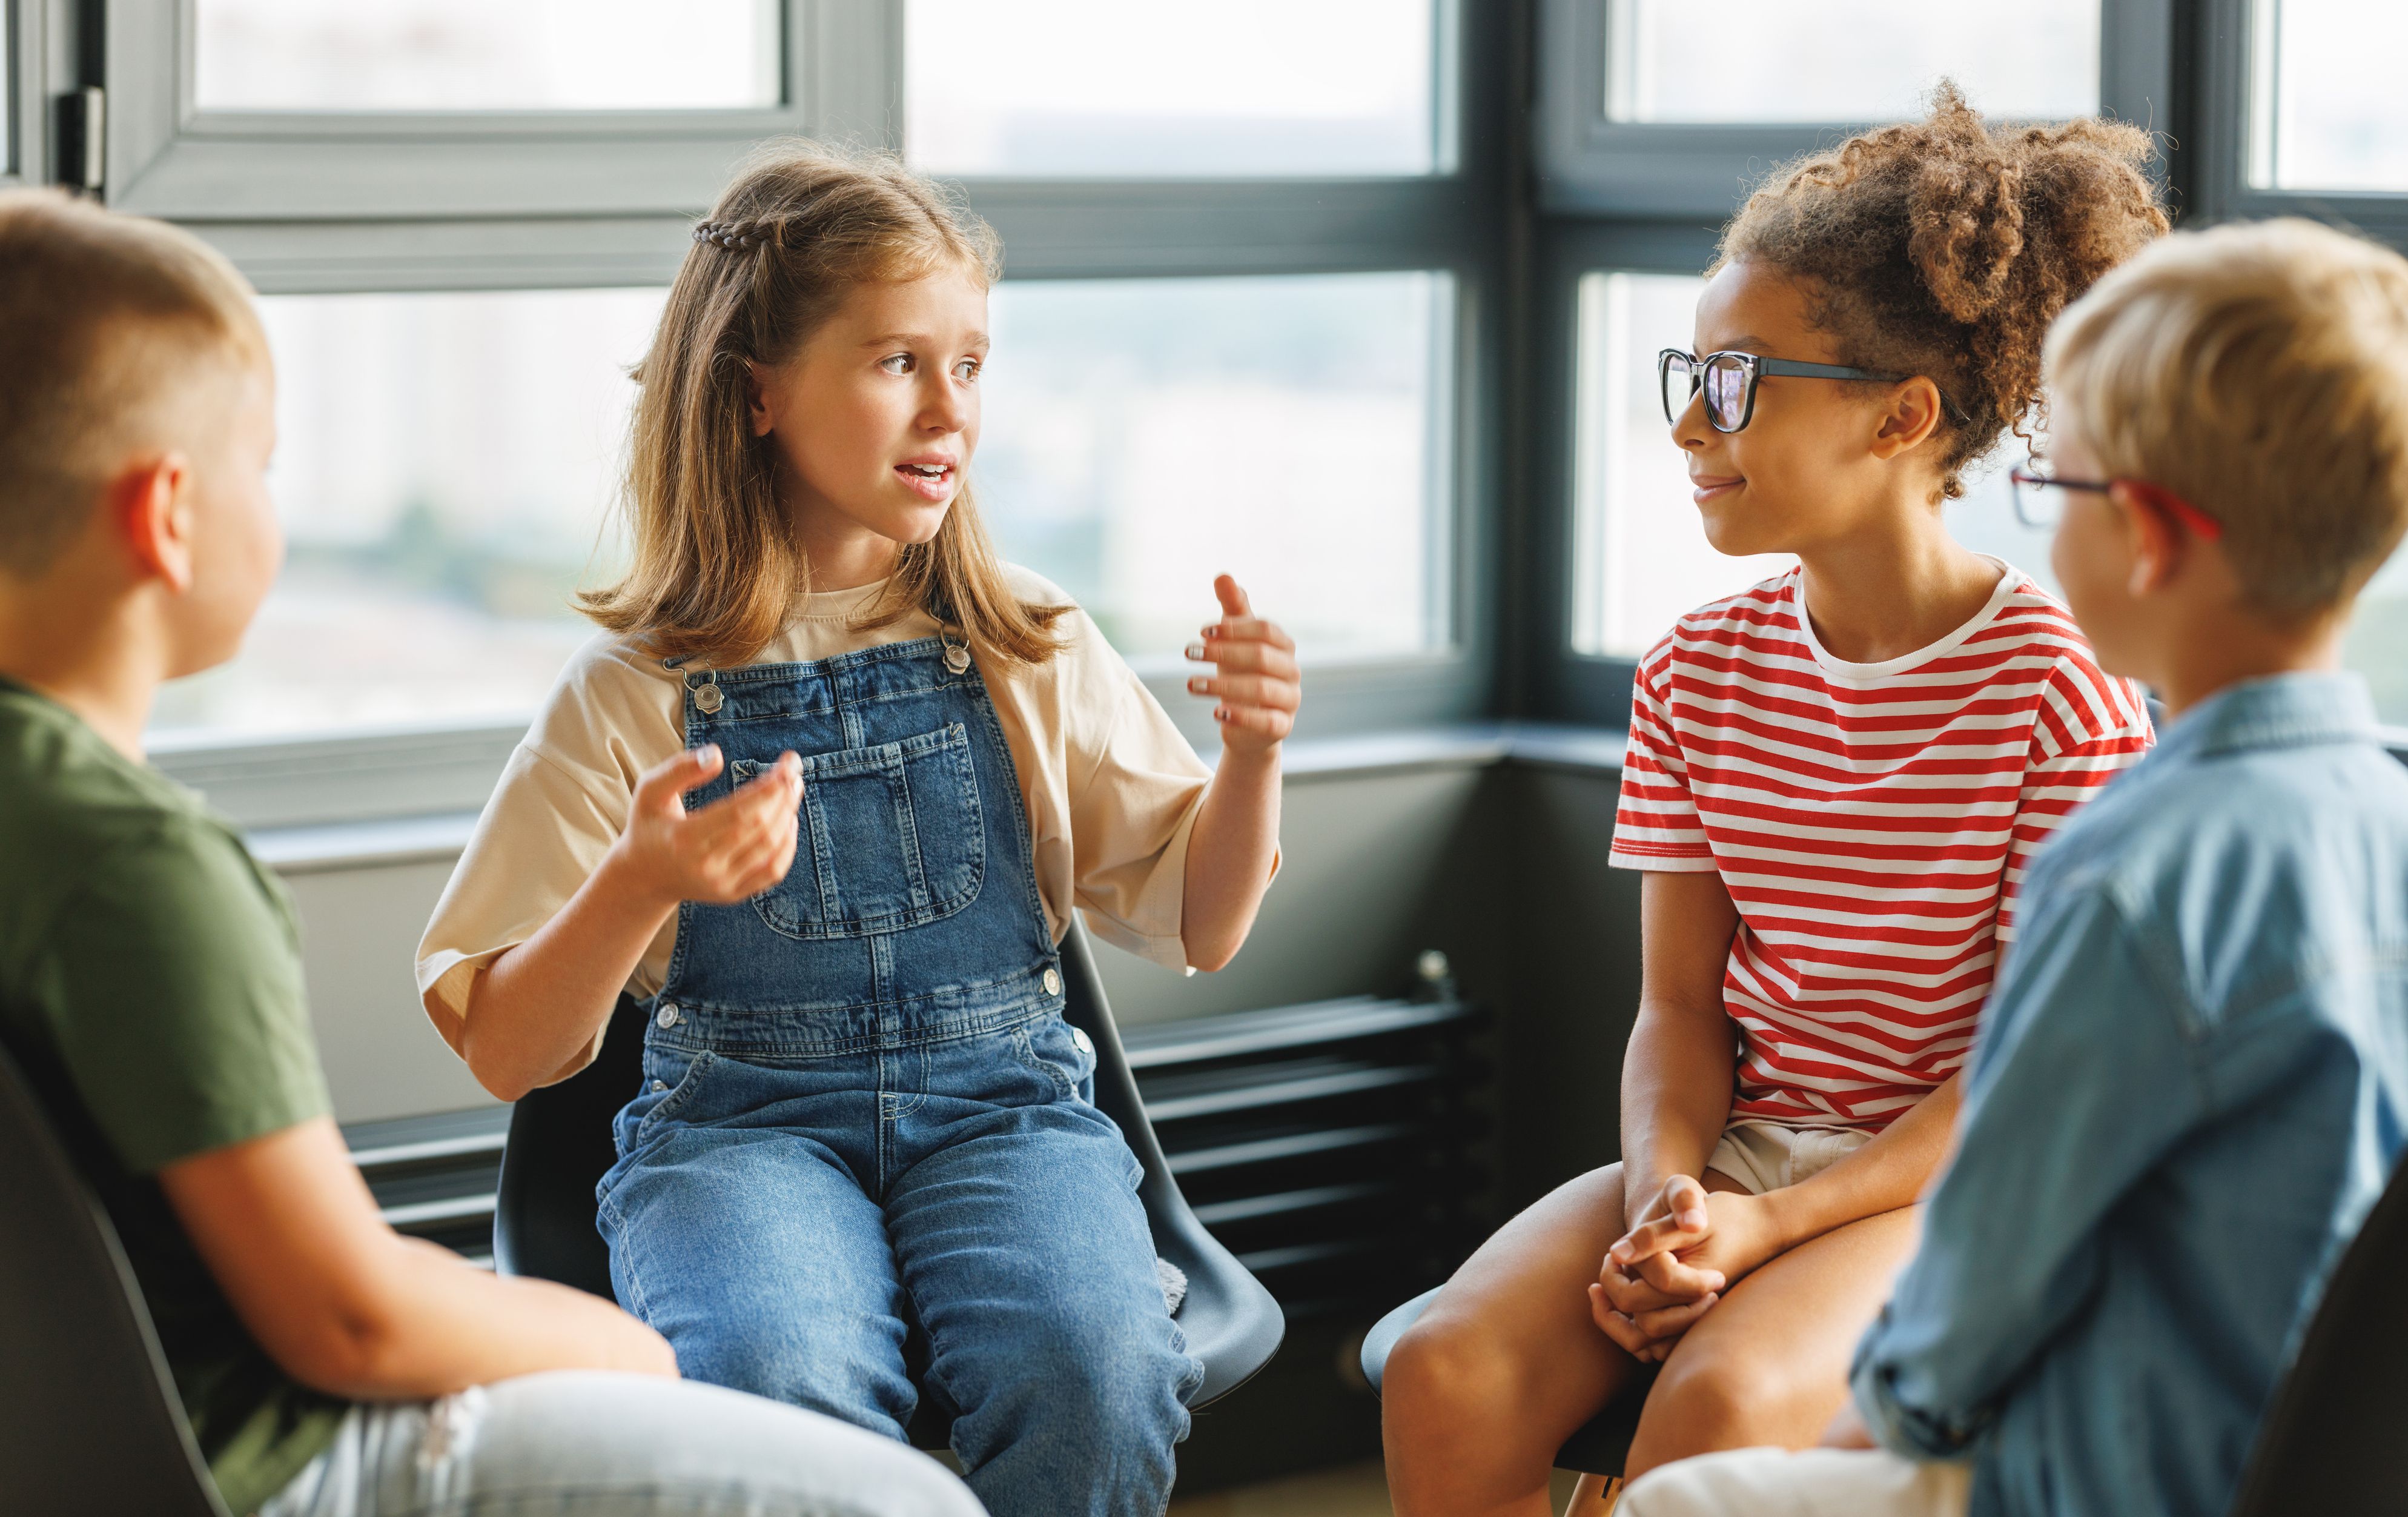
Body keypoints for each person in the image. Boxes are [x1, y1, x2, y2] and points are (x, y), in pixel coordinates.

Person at [0, 188, 984, 1517]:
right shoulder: (131, 872)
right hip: (264, 1461)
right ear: (167, 514)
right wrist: (624, 1352)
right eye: (265, 462)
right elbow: (346, 1323)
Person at [414, 142, 1295, 1517]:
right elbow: (510, 1048)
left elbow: (1203, 919)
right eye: (896, 362)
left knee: (1096, 1365)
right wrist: (640, 881)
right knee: (774, 1377)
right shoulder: (631, 691)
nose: (948, 408)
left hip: (1003, 1113)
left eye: (971, 365)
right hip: (736, 1134)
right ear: (757, 391)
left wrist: (1251, 758)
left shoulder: (1024, 639)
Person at [1381, 88, 2168, 1515]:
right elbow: (1678, 1011)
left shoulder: (2058, 693)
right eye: (1687, 373)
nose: (1689, 421)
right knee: (1442, 1366)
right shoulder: (1694, 668)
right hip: (1736, 1155)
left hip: (1950, 1187)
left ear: (1901, 418)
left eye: (1737, 382)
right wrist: (1661, 1205)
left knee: (1718, 1411)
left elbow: (2018, 1074)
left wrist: (1763, 1227)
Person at [1618, 214, 2408, 1517]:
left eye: (2060, 492)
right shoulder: (2383, 805)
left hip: (2119, 1467)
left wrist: (1874, 1430)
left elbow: (1996, 1249)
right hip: (2319, 1458)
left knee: (1685, 1501)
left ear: (2145, 538)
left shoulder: (2133, 869)